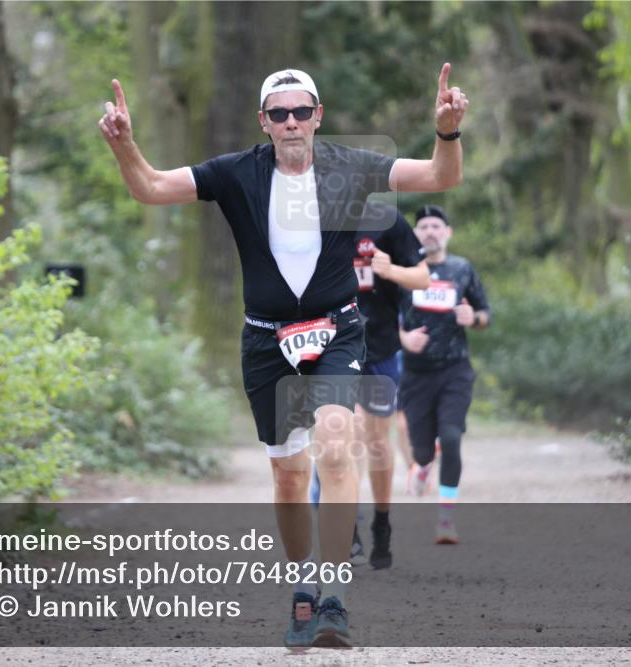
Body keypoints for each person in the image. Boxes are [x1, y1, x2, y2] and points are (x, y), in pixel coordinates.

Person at [99, 66, 467, 648]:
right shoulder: (236, 173)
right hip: (266, 339)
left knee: (337, 440)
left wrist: (447, 132)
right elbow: (149, 187)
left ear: (318, 116)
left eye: (301, 111)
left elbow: (440, 177)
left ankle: (336, 600)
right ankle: (302, 587)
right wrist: (125, 145)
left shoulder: (353, 166)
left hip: (338, 330)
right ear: (263, 122)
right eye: (279, 113)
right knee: (290, 476)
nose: (291, 123)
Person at [310, 202, 428, 570]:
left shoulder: (388, 221)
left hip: (378, 346)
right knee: (346, 433)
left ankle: (381, 520)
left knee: (377, 441)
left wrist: (389, 268)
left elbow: (422, 277)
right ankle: (349, 530)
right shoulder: (313, 221)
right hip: (330, 346)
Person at [398, 205, 490, 545]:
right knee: (422, 450)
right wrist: (404, 338)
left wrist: (474, 318)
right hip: (415, 375)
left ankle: (446, 519)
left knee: (451, 438)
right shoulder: (405, 271)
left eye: (436, 226)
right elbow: (381, 318)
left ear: (447, 233)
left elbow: (485, 313)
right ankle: (421, 465)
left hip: (455, 371)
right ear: (415, 234)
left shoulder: (461, 269)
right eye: (422, 227)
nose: (430, 231)